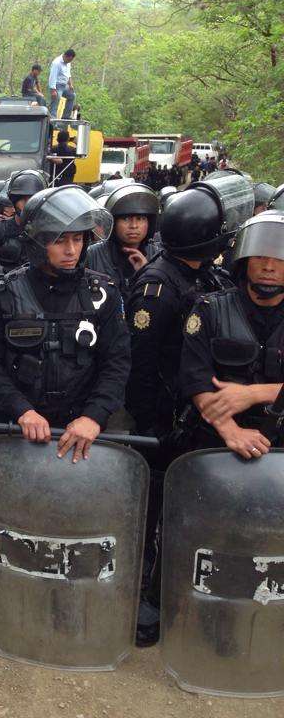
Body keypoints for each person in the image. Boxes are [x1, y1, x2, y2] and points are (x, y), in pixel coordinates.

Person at [125, 175, 251, 647]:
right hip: (167, 426)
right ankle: (145, 598)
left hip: (202, 419)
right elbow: (140, 368)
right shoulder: (158, 286)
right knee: (155, 515)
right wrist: (155, 426)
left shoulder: (204, 273)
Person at [0, 185, 129, 452]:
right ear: (38, 242)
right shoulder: (2, 295)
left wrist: (94, 416)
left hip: (83, 431)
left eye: (78, 239)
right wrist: (22, 410)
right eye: (59, 240)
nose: (71, 250)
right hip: (16, 428)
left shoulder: (104, 294)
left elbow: (116, 362)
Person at [180, 210, 284, 459]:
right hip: (217, 445)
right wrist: (231, 431)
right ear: (245, 259)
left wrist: (252, 394)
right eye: (260, 256)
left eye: (279, 258)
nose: (268, 267)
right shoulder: (210, 310)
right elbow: (196, 379)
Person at [85, 183, 162, 296]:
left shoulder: (157, 257)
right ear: (113, 222)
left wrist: (147, 273)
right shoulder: (92, 255)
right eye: (126, 219)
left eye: (140, 218)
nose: (134, 225)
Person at [0, 169, 47, 273]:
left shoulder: (49, 231)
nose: (29, 205)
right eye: (24, 200)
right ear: (14, 201)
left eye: (34, 199)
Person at [47, 49, 76, 119]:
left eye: (71, 60)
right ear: (65, 56)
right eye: (69, 60)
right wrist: (53, 90)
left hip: (64, 85)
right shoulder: (56, 63)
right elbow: (52, 77)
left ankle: (66, 117)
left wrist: (70, 84)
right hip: (57, 86)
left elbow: (68, 74)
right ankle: (52, 120)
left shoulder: (68, 63)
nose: (69, 62)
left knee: (72, 95)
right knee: (56, 100)